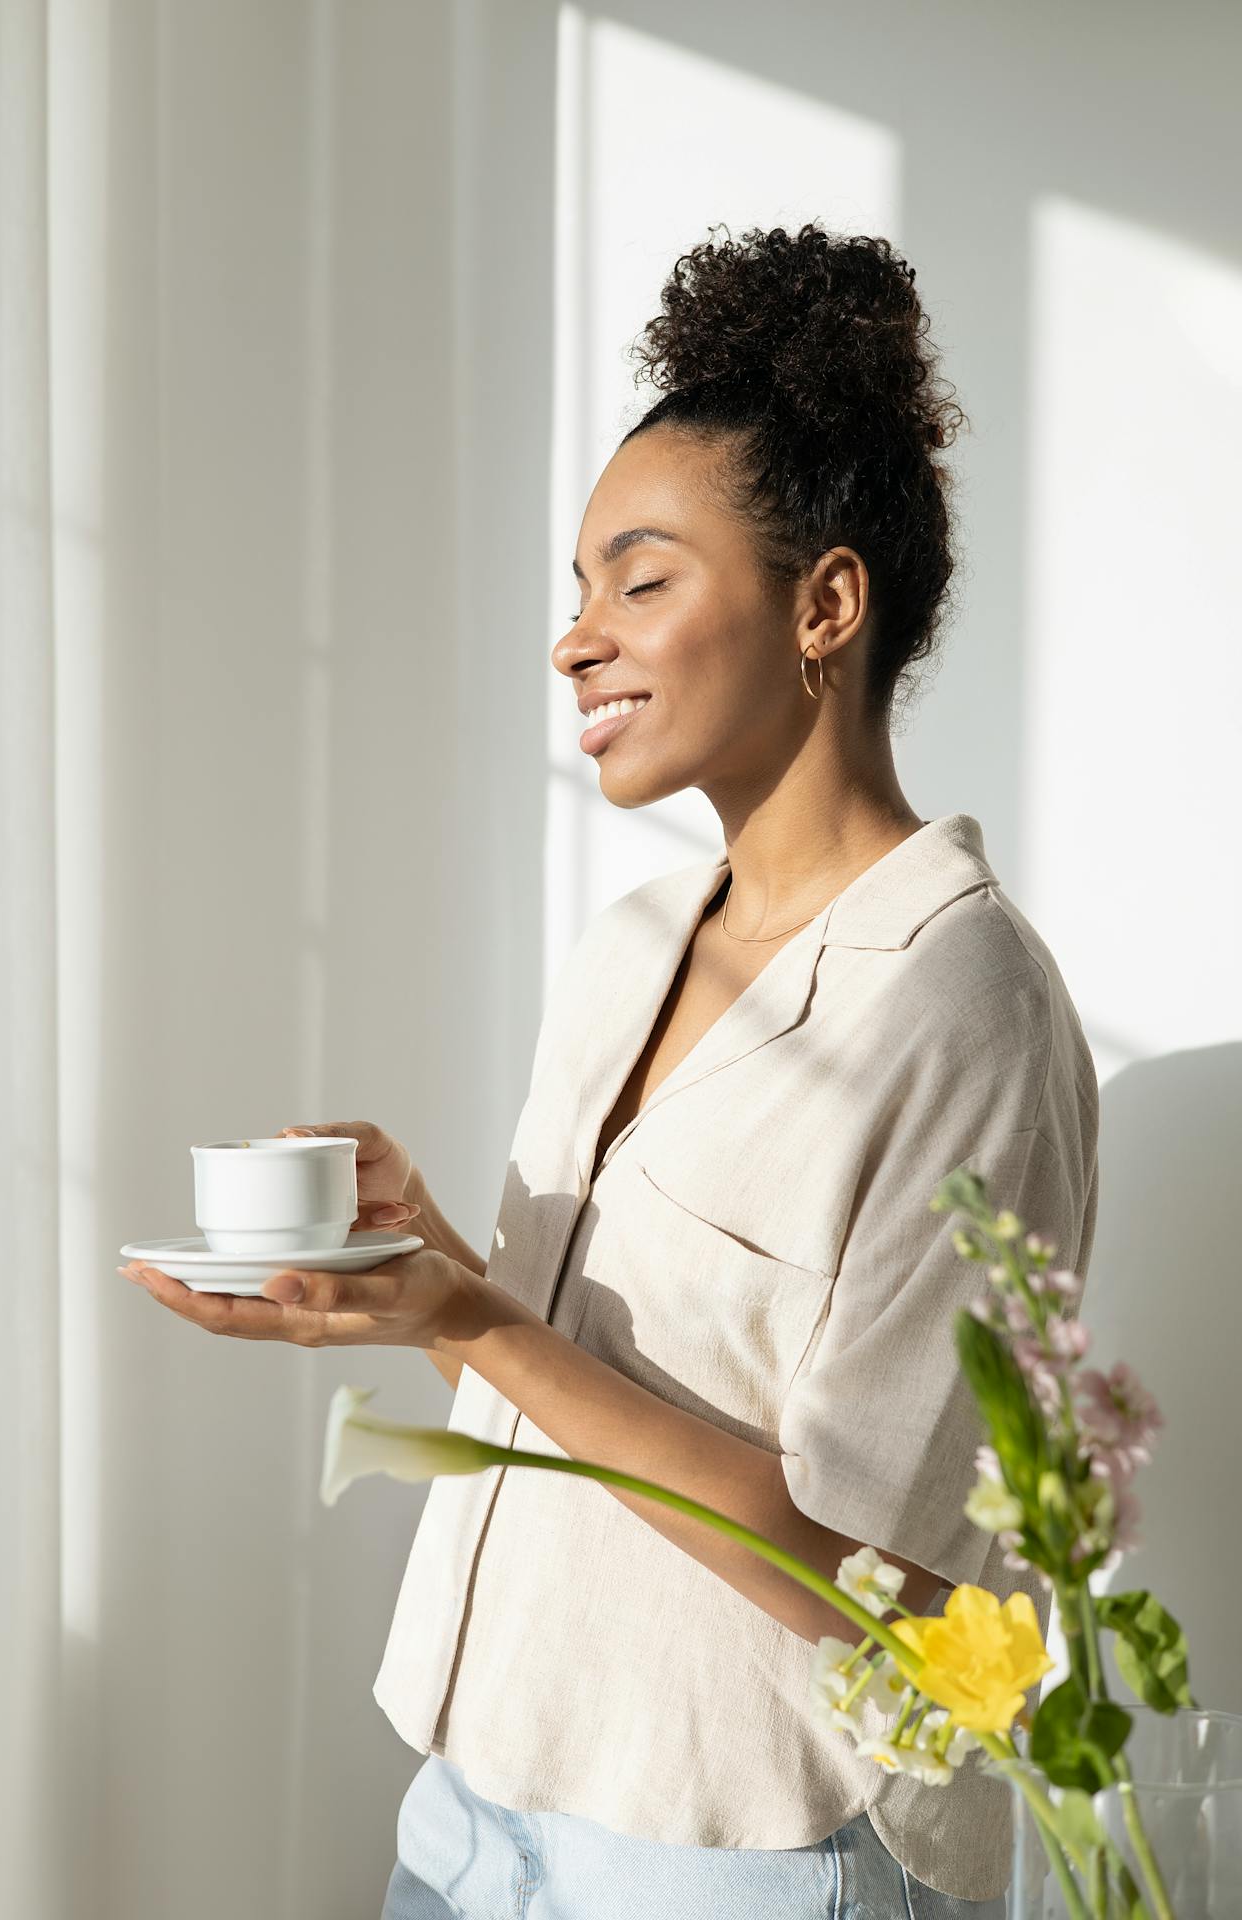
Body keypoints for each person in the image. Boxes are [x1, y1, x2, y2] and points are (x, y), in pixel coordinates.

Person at [122, 223, 1098, 1918]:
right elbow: (560, 1411)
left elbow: (892, 1588)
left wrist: (474, 1316)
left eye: (639, 583)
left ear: (827, 603)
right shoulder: (630, 947)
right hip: (468, 1809)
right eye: (577, 591)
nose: (577, 640)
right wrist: (431, 1276)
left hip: (739, 1861)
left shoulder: (966, 1008)